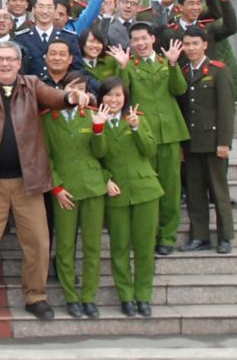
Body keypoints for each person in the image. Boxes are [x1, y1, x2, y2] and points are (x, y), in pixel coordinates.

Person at [0, 41, 91, 322]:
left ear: (18, 62)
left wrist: (71, 98)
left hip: (28, 181)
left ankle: (35, 296)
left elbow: (56, 97)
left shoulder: (32, 84)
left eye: (10, 59)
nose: (5, 64)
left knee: (38, 241)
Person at [109, 23, 188, 256]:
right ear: (130, 44)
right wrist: (122, 67)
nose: (140, 44)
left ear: (152, 38)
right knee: (148, 190)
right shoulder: (129, 66)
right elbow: (122, 93)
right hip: (143, 134)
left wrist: (174, 64)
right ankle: (149, 236)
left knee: (171, 188)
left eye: (144, 38)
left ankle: (167, 236)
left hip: (170, 133)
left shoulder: (166, 63)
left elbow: (179, 89)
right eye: (135, 40)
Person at [96, 77, 163, 318]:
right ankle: (126, 296)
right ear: (101, 97)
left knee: (144, 247)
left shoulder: (137, 118)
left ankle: (143, 295)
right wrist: (105, 178)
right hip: (118, 192)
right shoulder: (97, 121)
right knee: (120, 246)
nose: (113, 100)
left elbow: (150, 150)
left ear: (125, 98)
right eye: (109, 95)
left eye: (118, 95)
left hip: (145, 189)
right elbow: (95, 156)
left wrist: (135, 128)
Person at [42, 71, 107, 319]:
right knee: (66, 246)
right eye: (73, 87)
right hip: (65, 190)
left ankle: (89, 297)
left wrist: (99, 128)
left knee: (92, 246)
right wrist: (56, 187)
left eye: (82, 87)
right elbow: (45, 156)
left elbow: (101, 153)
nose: (78, 91)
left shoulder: (91, 114)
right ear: (64, 90)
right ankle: (71, 297)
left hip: (92, 186)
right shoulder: (49, 118)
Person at [178, 26, 236, 255]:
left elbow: (226, 110)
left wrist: (224, 142)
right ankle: (199, 236)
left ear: (204, 45)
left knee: (218, 191)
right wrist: (182, 145)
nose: (191, 48)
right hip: (191, 143)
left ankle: (225, 237)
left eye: (195, 44)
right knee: (194, 192)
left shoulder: (218, 71)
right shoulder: (183, 71)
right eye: (187, 44)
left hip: (213, 142)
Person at [16, 0, 83, 79]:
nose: (45, 11)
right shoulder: (21, 38)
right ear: (33, 10)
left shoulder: (68, 37)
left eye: (49, 7)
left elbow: (77, 68)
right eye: (41, 7)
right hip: (31, 89)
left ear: (55, 11)